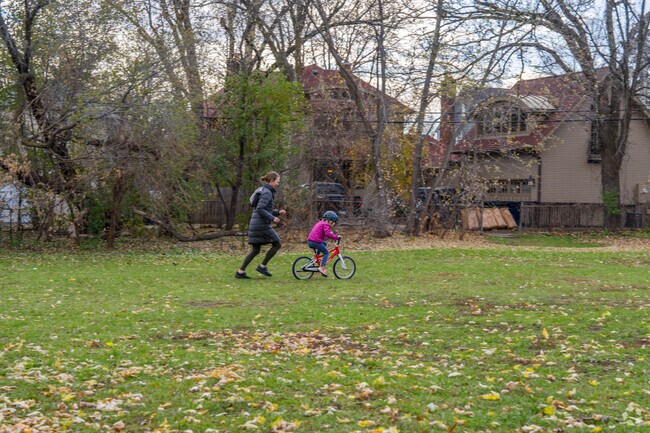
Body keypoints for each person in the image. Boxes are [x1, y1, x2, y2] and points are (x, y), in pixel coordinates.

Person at [235, 172, 286, 279]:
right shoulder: (267, 192)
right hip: (261, 225)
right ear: (272, 180)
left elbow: (265, 209)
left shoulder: (263, 190)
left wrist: (277, 213)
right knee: (277, 244)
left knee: (256, 250)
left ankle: (240, 272)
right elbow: (260, 209)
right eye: (277, 181)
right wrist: (273, 218)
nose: (278, 184)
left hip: (256, 223)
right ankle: (262, 266)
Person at [307, 210, 341, 277]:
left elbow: (326, 232)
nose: (333, 224)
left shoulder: (322, 223)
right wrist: (336, 237)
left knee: (324, 243)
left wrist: (333, 234)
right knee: (326, 252)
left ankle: (316, 257)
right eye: (334, 222)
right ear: (330, 221)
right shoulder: (326, 225)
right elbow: (327, 233)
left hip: (312, 241)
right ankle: (322, 267)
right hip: (315, 241)